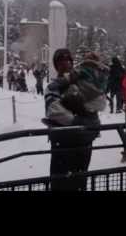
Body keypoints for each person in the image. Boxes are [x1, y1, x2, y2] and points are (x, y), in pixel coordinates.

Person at [42, 49, 101, 191]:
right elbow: (54, 111)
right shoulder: (53, 86)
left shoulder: (82, 84)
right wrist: (79, 123)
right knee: (61, 183)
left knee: (80, 182)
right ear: (56, 66)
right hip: (63, 144)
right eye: (61, 62)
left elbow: (96, 105)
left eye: (68, 61)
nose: (66, 65)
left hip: (83, 144)